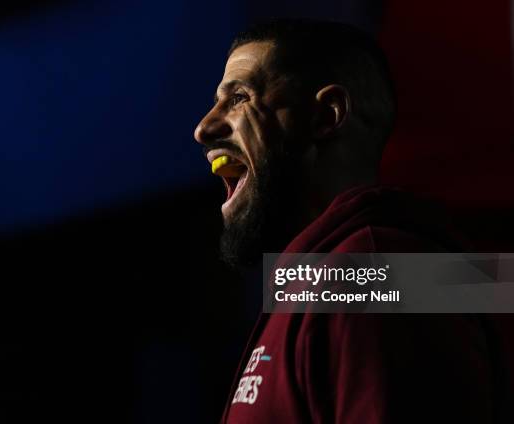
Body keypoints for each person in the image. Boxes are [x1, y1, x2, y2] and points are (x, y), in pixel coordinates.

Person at [194, 19, 511, 423]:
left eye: (239, 97)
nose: (203, 128)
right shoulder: (332, 279)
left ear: (326, 116)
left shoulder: (373, 275)